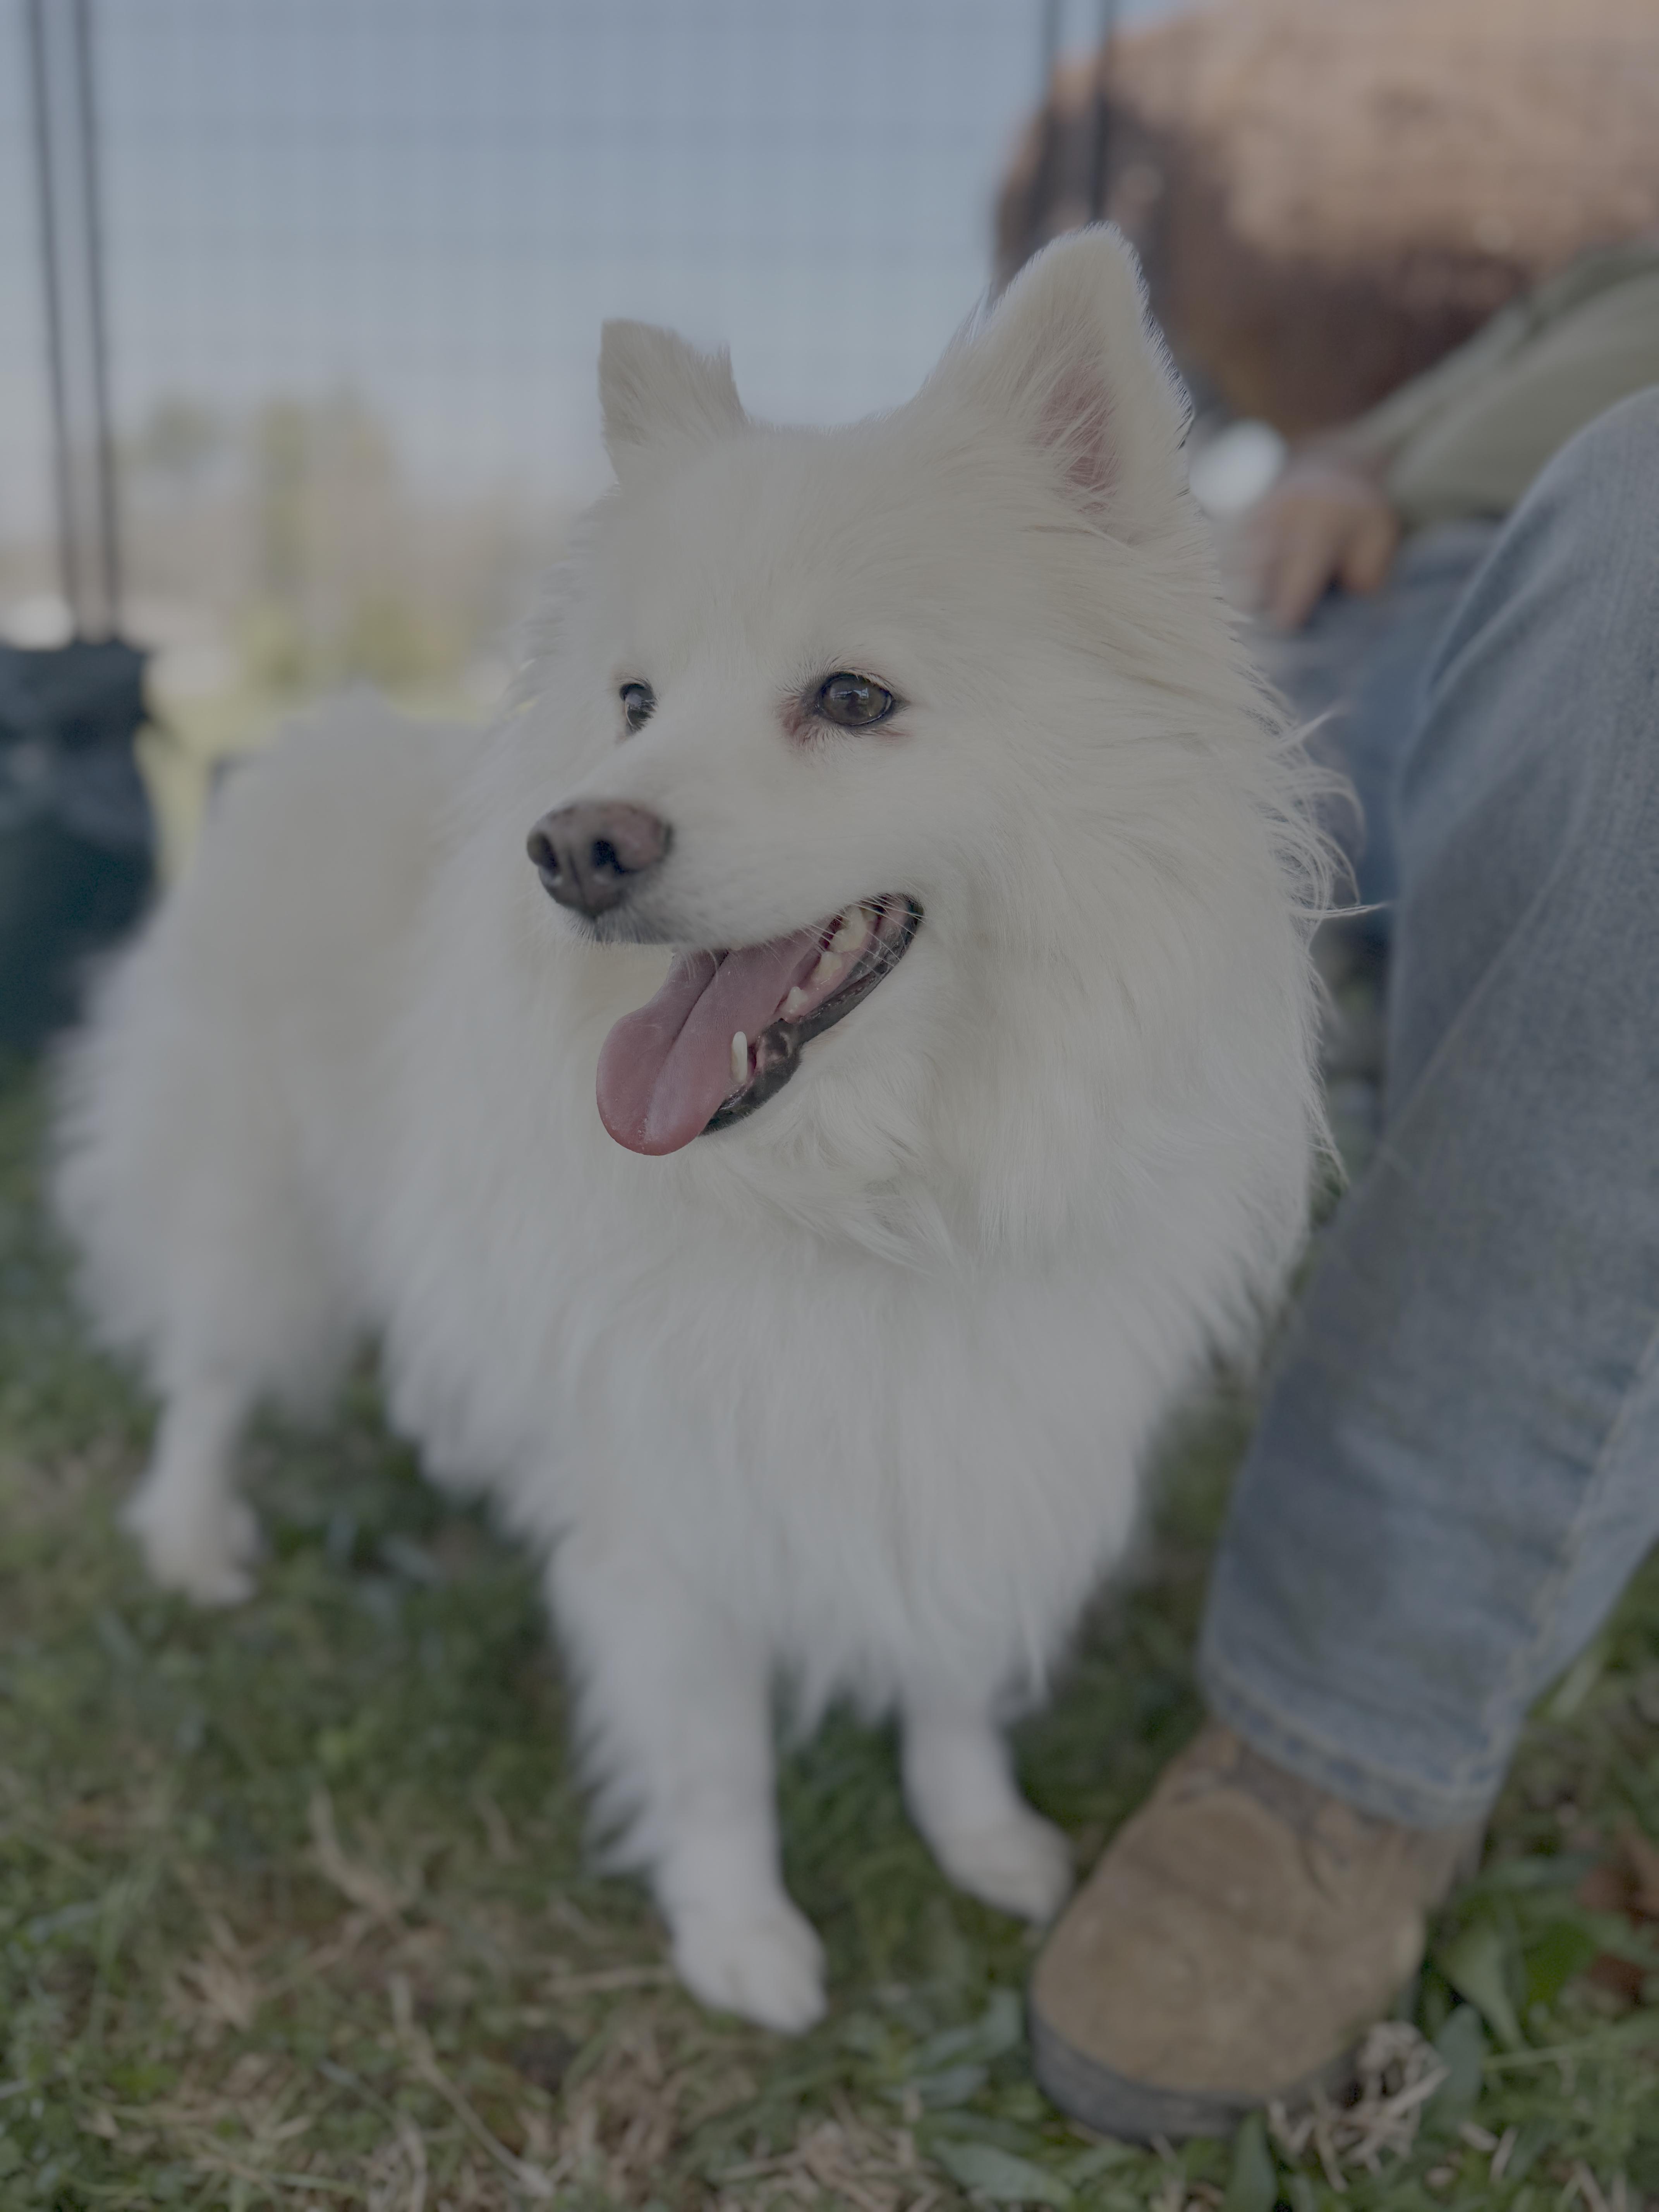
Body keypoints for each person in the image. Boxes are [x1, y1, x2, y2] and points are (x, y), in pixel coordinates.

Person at [1026, 241, 1659, 2144]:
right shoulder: (1610, 259)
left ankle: (1347, 1726)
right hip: (1356, 606)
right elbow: (1391, 422)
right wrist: (1348, 464)